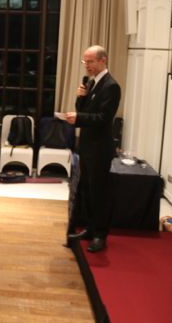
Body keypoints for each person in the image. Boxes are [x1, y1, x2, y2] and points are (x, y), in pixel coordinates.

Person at [65, 45, 121, 253]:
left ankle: (100, 235)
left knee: (99, 193)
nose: (87, 65)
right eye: (85, 62)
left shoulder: (111, 86)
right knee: (87, 191)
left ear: (102, 60)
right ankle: (89, 228)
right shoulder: (91, 83)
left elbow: (103, 118)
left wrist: (78, 117)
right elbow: (83, 110)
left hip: (100, 148)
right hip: (87, 146)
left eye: (90, 61)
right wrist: (80, 97)